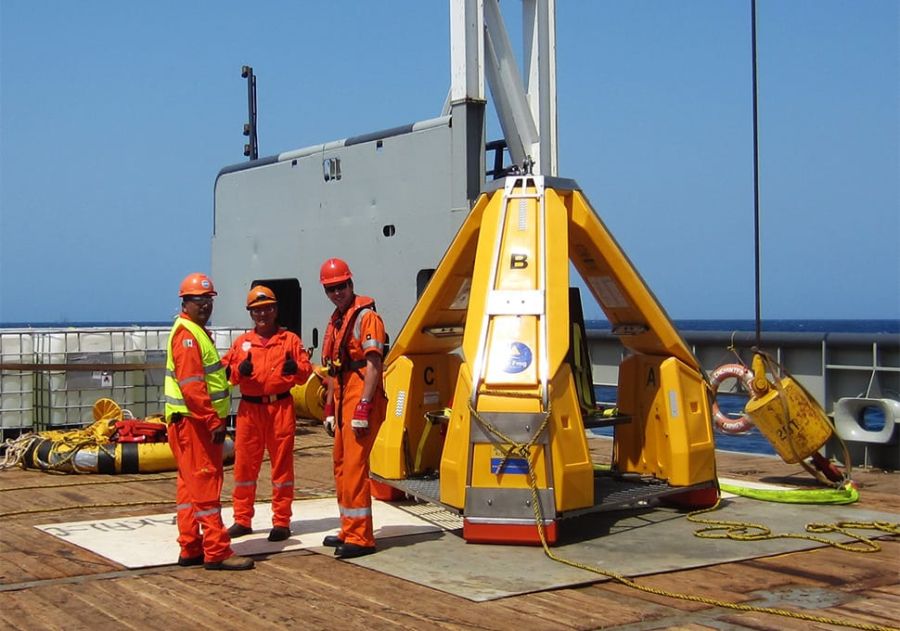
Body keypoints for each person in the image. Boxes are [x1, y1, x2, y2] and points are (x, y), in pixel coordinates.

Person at [164, 273, 254, 571]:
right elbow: (192, 386)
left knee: (189, 487)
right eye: (198, 300)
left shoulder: (192, 332)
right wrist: (213, 421)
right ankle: (216, 550)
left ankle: (190, 546)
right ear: (185, 303)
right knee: (205, 485)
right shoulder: (189, 336)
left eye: (208, 300)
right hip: (196, 424)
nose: (205, 306)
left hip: (189, 423)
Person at [223, 285, 312, 542]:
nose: (262, 314)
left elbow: (305, 373)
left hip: (280, 408)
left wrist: (295, 368)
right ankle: (242, 519)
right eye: (257, 310)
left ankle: (281, 521)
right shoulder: (241, 344)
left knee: (282, 467)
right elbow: (226, 375)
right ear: (250, 313)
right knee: (244, 467)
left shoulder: (290, 341)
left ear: (275, 310)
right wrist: (242, 369)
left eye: (267, 309)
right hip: (250, 410)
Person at [319, 258, 387, 559]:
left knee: (356, 468)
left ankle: (361, 537)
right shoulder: (337, 320)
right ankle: (349, 528)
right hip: (343, 397)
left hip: (361, 397)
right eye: (331, 289)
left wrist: (364, 405)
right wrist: (329, 410)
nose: (337, 293)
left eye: (341, 286)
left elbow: (373, 364)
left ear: (351, 283)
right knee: (342, 466)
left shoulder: (366, 317)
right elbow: (335, 369)